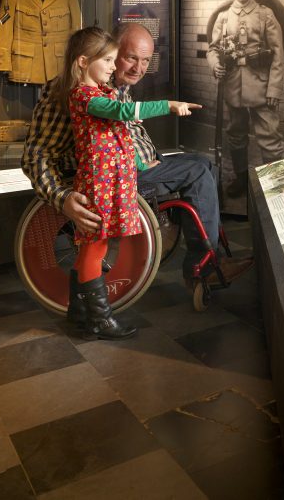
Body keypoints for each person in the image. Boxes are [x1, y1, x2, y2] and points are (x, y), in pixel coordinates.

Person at [22, 22, 251, 323]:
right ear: (108, 53)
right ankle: (204, 269)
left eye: (145, 61)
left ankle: (210, 257)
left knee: (205, 164)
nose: (139, 68)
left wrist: (147, 160)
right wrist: (61, 197)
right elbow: (36, 155)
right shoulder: (67, 91)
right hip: (108, 179)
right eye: (130, 58)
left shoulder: (113, 87)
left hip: (137, 167)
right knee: (197, 171)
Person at [57, 27, 197, 339]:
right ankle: (100, 320)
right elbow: (121, 112)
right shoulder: (84, 96)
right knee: (95, 249)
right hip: (98, 185)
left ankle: (79, 313)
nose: (112, 66)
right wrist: (167, 105)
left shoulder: (101, 94)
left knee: (94, 248)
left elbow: (120, 140)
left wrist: (140, 164)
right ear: (83, 62)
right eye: (107, 60)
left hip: (112, 183)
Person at [207, 0, 284, 196]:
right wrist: (215, 65)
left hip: (261, 86)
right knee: (236, 134)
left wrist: (274, 89)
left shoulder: (265, 14)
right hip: (233, 86)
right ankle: (241, 179)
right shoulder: (223, 17)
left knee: (269, 136)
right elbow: (213, 48)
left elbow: (278, 54)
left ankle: (275, 183)